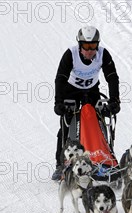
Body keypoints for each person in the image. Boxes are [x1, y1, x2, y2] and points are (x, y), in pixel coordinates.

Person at [51, 25, 121, 181]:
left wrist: (115, 100)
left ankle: (105, 159)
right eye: (86, 46)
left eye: (93, 46)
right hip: (71, 90)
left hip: (91, 91)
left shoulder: (103, 54)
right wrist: (58, 102)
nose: (90, 50)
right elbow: (60, 78)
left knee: (99, 122)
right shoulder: (71, 54)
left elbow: (112, 78)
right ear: (79, 45)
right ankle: (60, 164)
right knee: (66, 125)